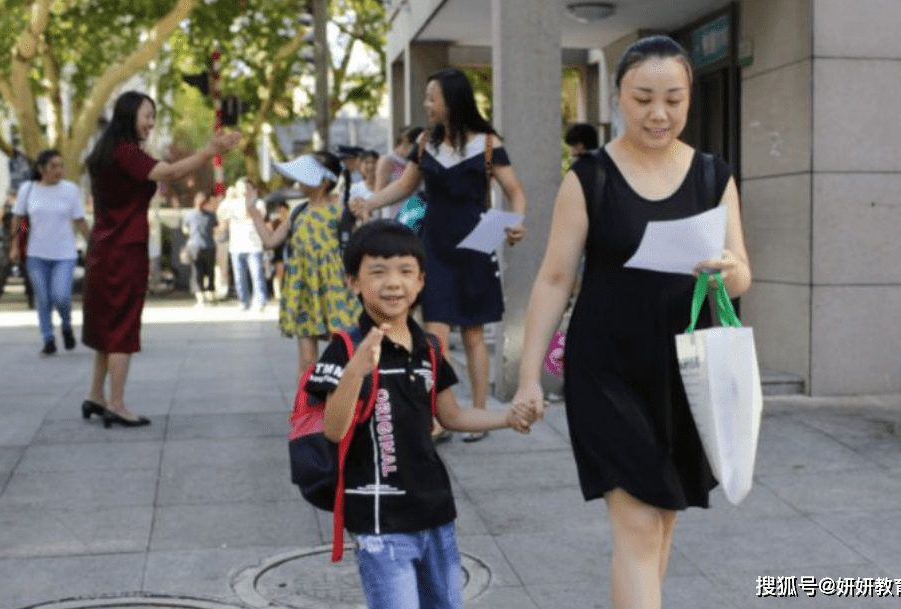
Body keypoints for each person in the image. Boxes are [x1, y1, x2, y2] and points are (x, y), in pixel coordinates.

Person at [511, 36, 752, 609]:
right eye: (643, 98)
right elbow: (552, 280)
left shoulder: (713, 176)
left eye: (673, 98)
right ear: (619, 96)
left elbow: (743, 273)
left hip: (685, 371)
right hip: (608, 371)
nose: (659, 113)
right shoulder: (589, 178)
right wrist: (527, 378)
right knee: (641, 525)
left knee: (663, 519)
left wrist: (726, 269)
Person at [305, 219, 537, 609]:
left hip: (435, 512)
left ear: (422, 281)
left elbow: (452, 415)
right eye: (377, 272)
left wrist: (506, 417)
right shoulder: (346, 347)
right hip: (380, 521)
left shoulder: (428, 347)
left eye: (405, 271)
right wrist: (355, 372)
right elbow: (333, 429)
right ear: (353, 282)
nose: (393, 283)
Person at [350, 68, 528, 443]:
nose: (427, 105)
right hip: (435, 248)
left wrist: (516, 223)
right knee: (436, 334)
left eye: (432, 98)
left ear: (452, 100)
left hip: (477, 244)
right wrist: (370, 201)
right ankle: (440, 417)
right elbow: (404, 185)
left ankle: (477, 414)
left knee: (475, 333)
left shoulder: (488, 142)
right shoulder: (425, 141)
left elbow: (515, 191)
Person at [82, 90, 239, 427]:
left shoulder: (106, 151)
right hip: (124, 248)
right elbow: (167, 173)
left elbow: (165, 172)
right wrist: (209, 152)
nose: (151, 123)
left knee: (104, 328)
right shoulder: (127, 153)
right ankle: (117, 403)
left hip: (103, 246)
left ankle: (96, 396)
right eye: (147, 116)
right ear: (129, 117)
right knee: (122, 326)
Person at [246, 152, 361, 384]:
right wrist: (252, 211)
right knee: (307, 359)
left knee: (338, 354)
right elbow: (270, 241)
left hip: (335, 289)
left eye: (304, 176)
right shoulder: (298, 211)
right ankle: (306, 412)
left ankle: (340, 409)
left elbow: (359, 247)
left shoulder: (339, 212)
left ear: (323, 182)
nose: (297, 182)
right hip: (305, 289)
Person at [8, 149, 89, 356]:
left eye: (61, 165)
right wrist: (15, 244)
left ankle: (67, 325)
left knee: (61, 296)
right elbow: (19, 220)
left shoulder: (70, 190)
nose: (59, 170)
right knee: (42, 298)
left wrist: (94, 244)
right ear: (42, 168)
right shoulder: (28, 189)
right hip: (36, 255)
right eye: (54, 166)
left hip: (65, 255)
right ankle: (48, 339)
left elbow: (79, 220)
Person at [222, 178, 268, 311]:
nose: (245, 190)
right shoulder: (231, 203)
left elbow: (255, 217)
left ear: (253, 190)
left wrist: (249, 202)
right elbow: (221, 218)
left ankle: (260, 301)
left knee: (257, 275)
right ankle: (243, 301)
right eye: (242, 187)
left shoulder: (258, 203)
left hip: (254, 245)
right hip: (236, 246)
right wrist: (226, 199)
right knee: (239, 277)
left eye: (248, 187)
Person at [374, 126, 423, 218]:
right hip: (394, 216)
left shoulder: (416, 161)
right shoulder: (387, 160)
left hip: (415, 216)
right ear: (405, 141)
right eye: (416, 146)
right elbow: (378, 192)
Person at [181, 190, 218, 307]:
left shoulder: (211, 215)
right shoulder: (189, 214)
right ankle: (201, 298)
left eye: (202, 200)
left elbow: (216, 228)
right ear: (195, 200)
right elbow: (184, 228)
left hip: (209, 246)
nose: (200, 202)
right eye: (198, 199)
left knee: (209, 271)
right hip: (195, 246)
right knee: (197, 272)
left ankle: (209, 295)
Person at [348, 150, 380, 214]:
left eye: (374, 162)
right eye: (366, 162)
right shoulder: (354, 189)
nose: (370, 166)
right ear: (360, 166)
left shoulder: (386, 187)